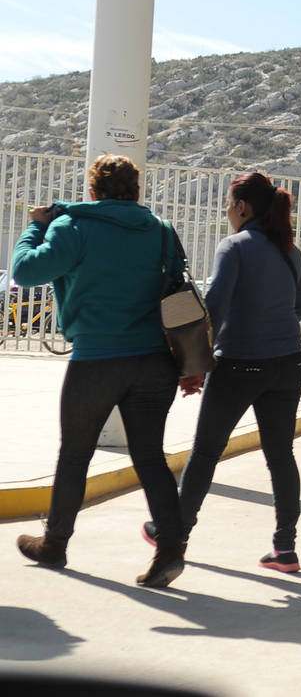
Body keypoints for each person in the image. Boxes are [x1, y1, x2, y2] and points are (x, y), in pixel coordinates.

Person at [11, 154, 188, 587]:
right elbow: (177, 284)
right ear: (137, 192)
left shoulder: (71, 226)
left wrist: (35, 226)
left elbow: (25, 271)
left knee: (75, 454)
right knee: (149, 456)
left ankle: (55, 543)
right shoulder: (162, 231)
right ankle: (170, 550)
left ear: (92, 192)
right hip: (154, 361)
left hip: (96, 360)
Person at [142, 172, 301, 573]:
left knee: (205, 452)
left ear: (243, 208)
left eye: (229, 205)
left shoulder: (233, 247)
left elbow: (212, 311)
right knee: (281, 454)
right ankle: (285, 548)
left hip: (239, 364)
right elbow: (300, 309)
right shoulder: (292, 251)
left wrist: (192, 366)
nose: (226, 212)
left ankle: (176, 535)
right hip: (290, 363)